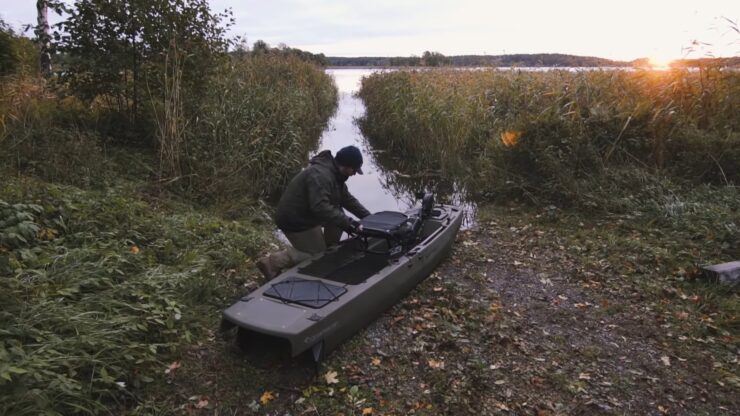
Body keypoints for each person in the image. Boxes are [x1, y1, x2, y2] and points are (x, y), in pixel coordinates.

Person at [256, 145, 371, 279]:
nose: (354, 174)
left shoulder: (335, 174)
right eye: (354, 170)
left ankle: (327, 250)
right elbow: (321, 207)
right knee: (315, 256)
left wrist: (369, 217)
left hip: (308, 214)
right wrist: (350, 223)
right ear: (346, 166)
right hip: (294, 220)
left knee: (338, 215)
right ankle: (272, 262)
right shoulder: (321, 176)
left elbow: (347, 199)